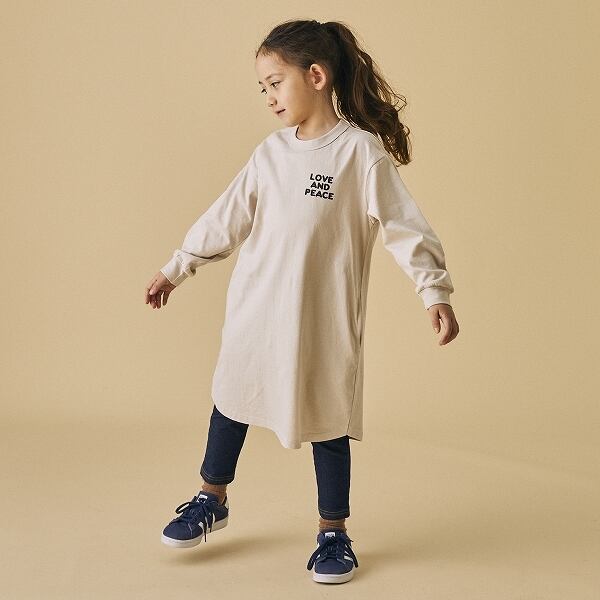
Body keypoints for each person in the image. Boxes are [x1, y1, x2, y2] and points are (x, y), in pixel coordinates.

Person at [145, 18, 460, 584]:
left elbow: (404, 227)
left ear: (316, 76)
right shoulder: (269, 154)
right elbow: (226, 217)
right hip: (256, 312)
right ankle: (211, 497)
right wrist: (177, 266)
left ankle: (333, 531)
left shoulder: (359, 153)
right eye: (262, 88)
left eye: (275, 83)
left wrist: (433, 290)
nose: (268, 97)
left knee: (328, 418)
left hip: (322, 322)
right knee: (232, 400)